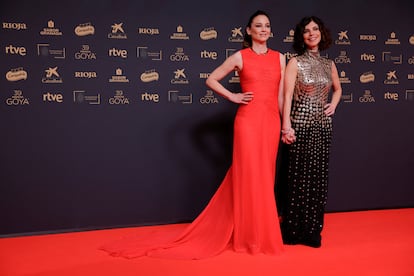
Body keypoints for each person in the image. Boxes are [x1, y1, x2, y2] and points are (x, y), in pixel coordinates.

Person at [100, 10, 285, 259]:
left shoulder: (280, 59)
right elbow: (211, 79)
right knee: (248, 174)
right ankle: (249, 237)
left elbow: (282, 95)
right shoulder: (240, 57)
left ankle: (261, 231)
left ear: (270, 31)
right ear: (249, 31)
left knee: (265, 174)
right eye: (258, 26)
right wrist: (233, 96)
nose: (263, 29)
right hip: (248, 122)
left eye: (267, 26)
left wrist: (287, 125)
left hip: (272, 121)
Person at [280, 16, 342, 248]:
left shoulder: (329, 64)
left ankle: (313, 231)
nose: (311, 33)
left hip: (322, 128)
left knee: (318, 179)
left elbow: (338, 89)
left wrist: (333, 104)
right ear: (301, 37)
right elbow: (286, 96)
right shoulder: (294, 62)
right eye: (306, 31)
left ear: (321, 33)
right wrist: (286, 125)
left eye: (315, 29)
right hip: (300, 125)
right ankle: (293, 230)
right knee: (297, 179)